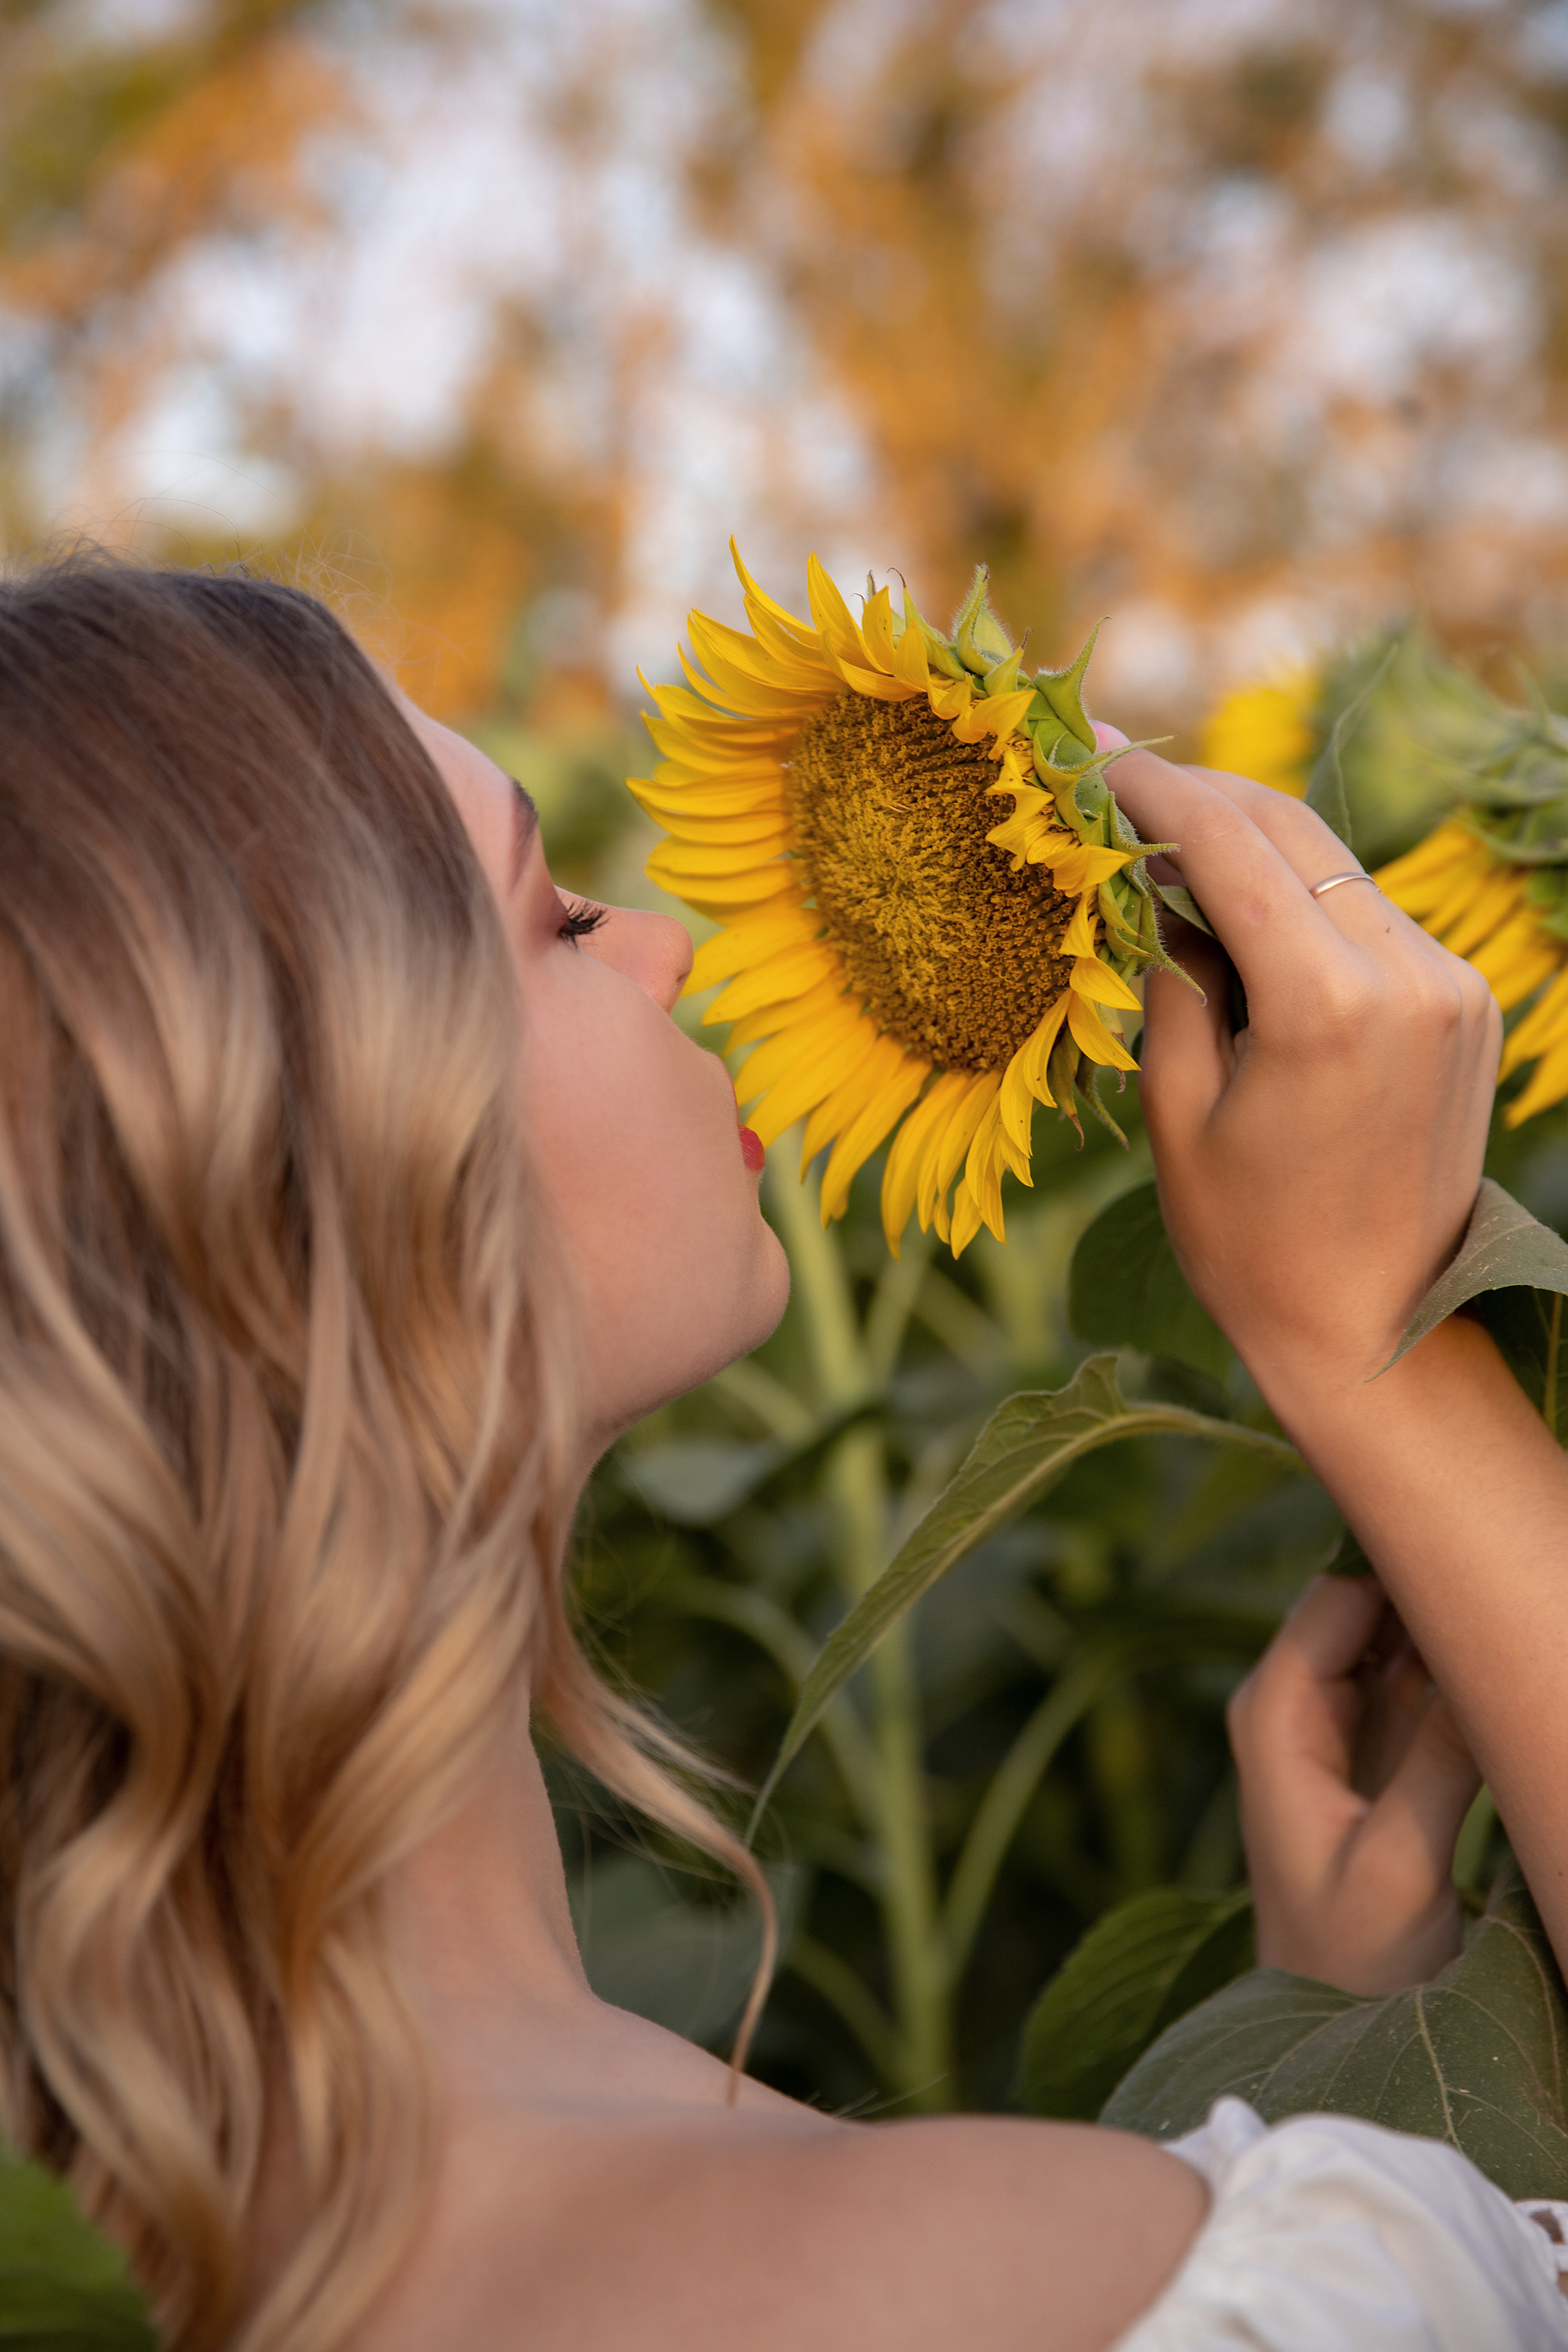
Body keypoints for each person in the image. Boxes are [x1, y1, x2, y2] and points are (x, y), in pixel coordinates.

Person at [0, 552, 1564, 2352]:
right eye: (560, 920)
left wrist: (1334, 2043)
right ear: (316, 1195)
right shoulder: (996, 2278)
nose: (669, 938)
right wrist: (1380, 1365)